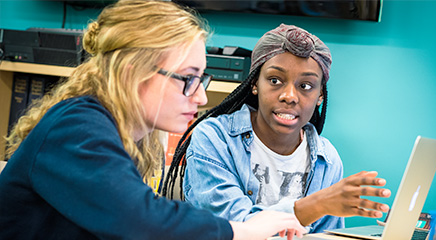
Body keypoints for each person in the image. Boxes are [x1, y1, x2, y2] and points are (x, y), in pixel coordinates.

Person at [0, 2, 306, 239]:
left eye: (202, 79)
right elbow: (139, 221)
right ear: (132, 72)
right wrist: (245, 230)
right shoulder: (76, 128)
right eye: (188, 78)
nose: (200, 97)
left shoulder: (120, 133)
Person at [164, 23, 392, 233]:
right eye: (275, 80)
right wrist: (316, 205)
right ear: (254, 83)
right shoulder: (215, 139)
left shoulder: (327, 159)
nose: (289, 96)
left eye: (305, 86)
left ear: (320, 95)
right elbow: (235, 228)